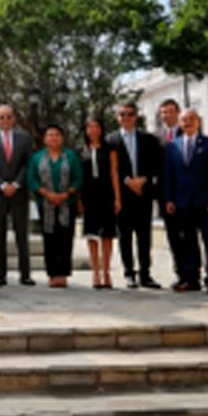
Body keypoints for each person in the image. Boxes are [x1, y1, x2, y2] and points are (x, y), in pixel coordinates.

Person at [162, 109, 208, 294]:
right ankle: (191, 279)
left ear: (198, 121)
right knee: (188, 243)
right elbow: (169, 175)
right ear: (179, 123)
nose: (187, 122)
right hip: (182, 202)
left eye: (191, 119)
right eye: (184, 120)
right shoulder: (173, 146)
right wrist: (169, 199)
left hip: (205, 202)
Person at [107, 102, 162, 289]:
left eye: (130, 114)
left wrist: (144, 179)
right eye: (122, 114)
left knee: (144, 236)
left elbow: (157, 164)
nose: (126, 117)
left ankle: (145, 274)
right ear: (117, 117)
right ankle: (129, 273)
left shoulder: (149, 139)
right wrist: (127, 181)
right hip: (122, 196)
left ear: (136, 116)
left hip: (143, 194)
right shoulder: (111, 140)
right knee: (125, 236)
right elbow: (110, 169)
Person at [0, 105, 35, 286]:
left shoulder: (24, 138)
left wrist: (17, 183)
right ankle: (0, 275)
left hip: (19, 193)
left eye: (8, 117)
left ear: (14, 119)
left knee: (22, 235)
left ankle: (25, 274)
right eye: (1, 117)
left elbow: (28, 163)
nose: (5, 120)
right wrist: (2, 184)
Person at [28, 124, 83, 288]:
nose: (53, 138)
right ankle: (52, 274)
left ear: (62, 138)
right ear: (45, 139)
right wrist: (47, 194)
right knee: (50, 239)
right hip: (46, 204)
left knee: (65, 238)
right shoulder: (37, 158)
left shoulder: (71, 156)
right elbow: (32, 179)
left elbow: (79, 178)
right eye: (50, 135)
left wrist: (66, 194)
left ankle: (63, 274)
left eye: (57, 135)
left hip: (68, 203)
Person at [78, 116, 121, 289]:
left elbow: (114, 173)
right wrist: (80, 200)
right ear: (86, 130)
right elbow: (79, 177)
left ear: (101, 129)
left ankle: (106, 271)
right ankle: (95, 272)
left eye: (96, 126)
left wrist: (117, 198)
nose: (93, 130)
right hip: (89, 196)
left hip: (106, 194)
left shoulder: (110, 149)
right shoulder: (81, 150)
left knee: (107, 235)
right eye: (90, 127)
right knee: (92, 234)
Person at [156, 98, 184, 287]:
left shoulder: (187, 131)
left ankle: (193, 273)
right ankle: (180, 272)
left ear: (178, 112)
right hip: (165, 193)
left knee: (188, 234)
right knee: (173, 234)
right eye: (164, 112)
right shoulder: (156, 137)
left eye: (171, 111)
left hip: (186, 191)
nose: (167, 115)